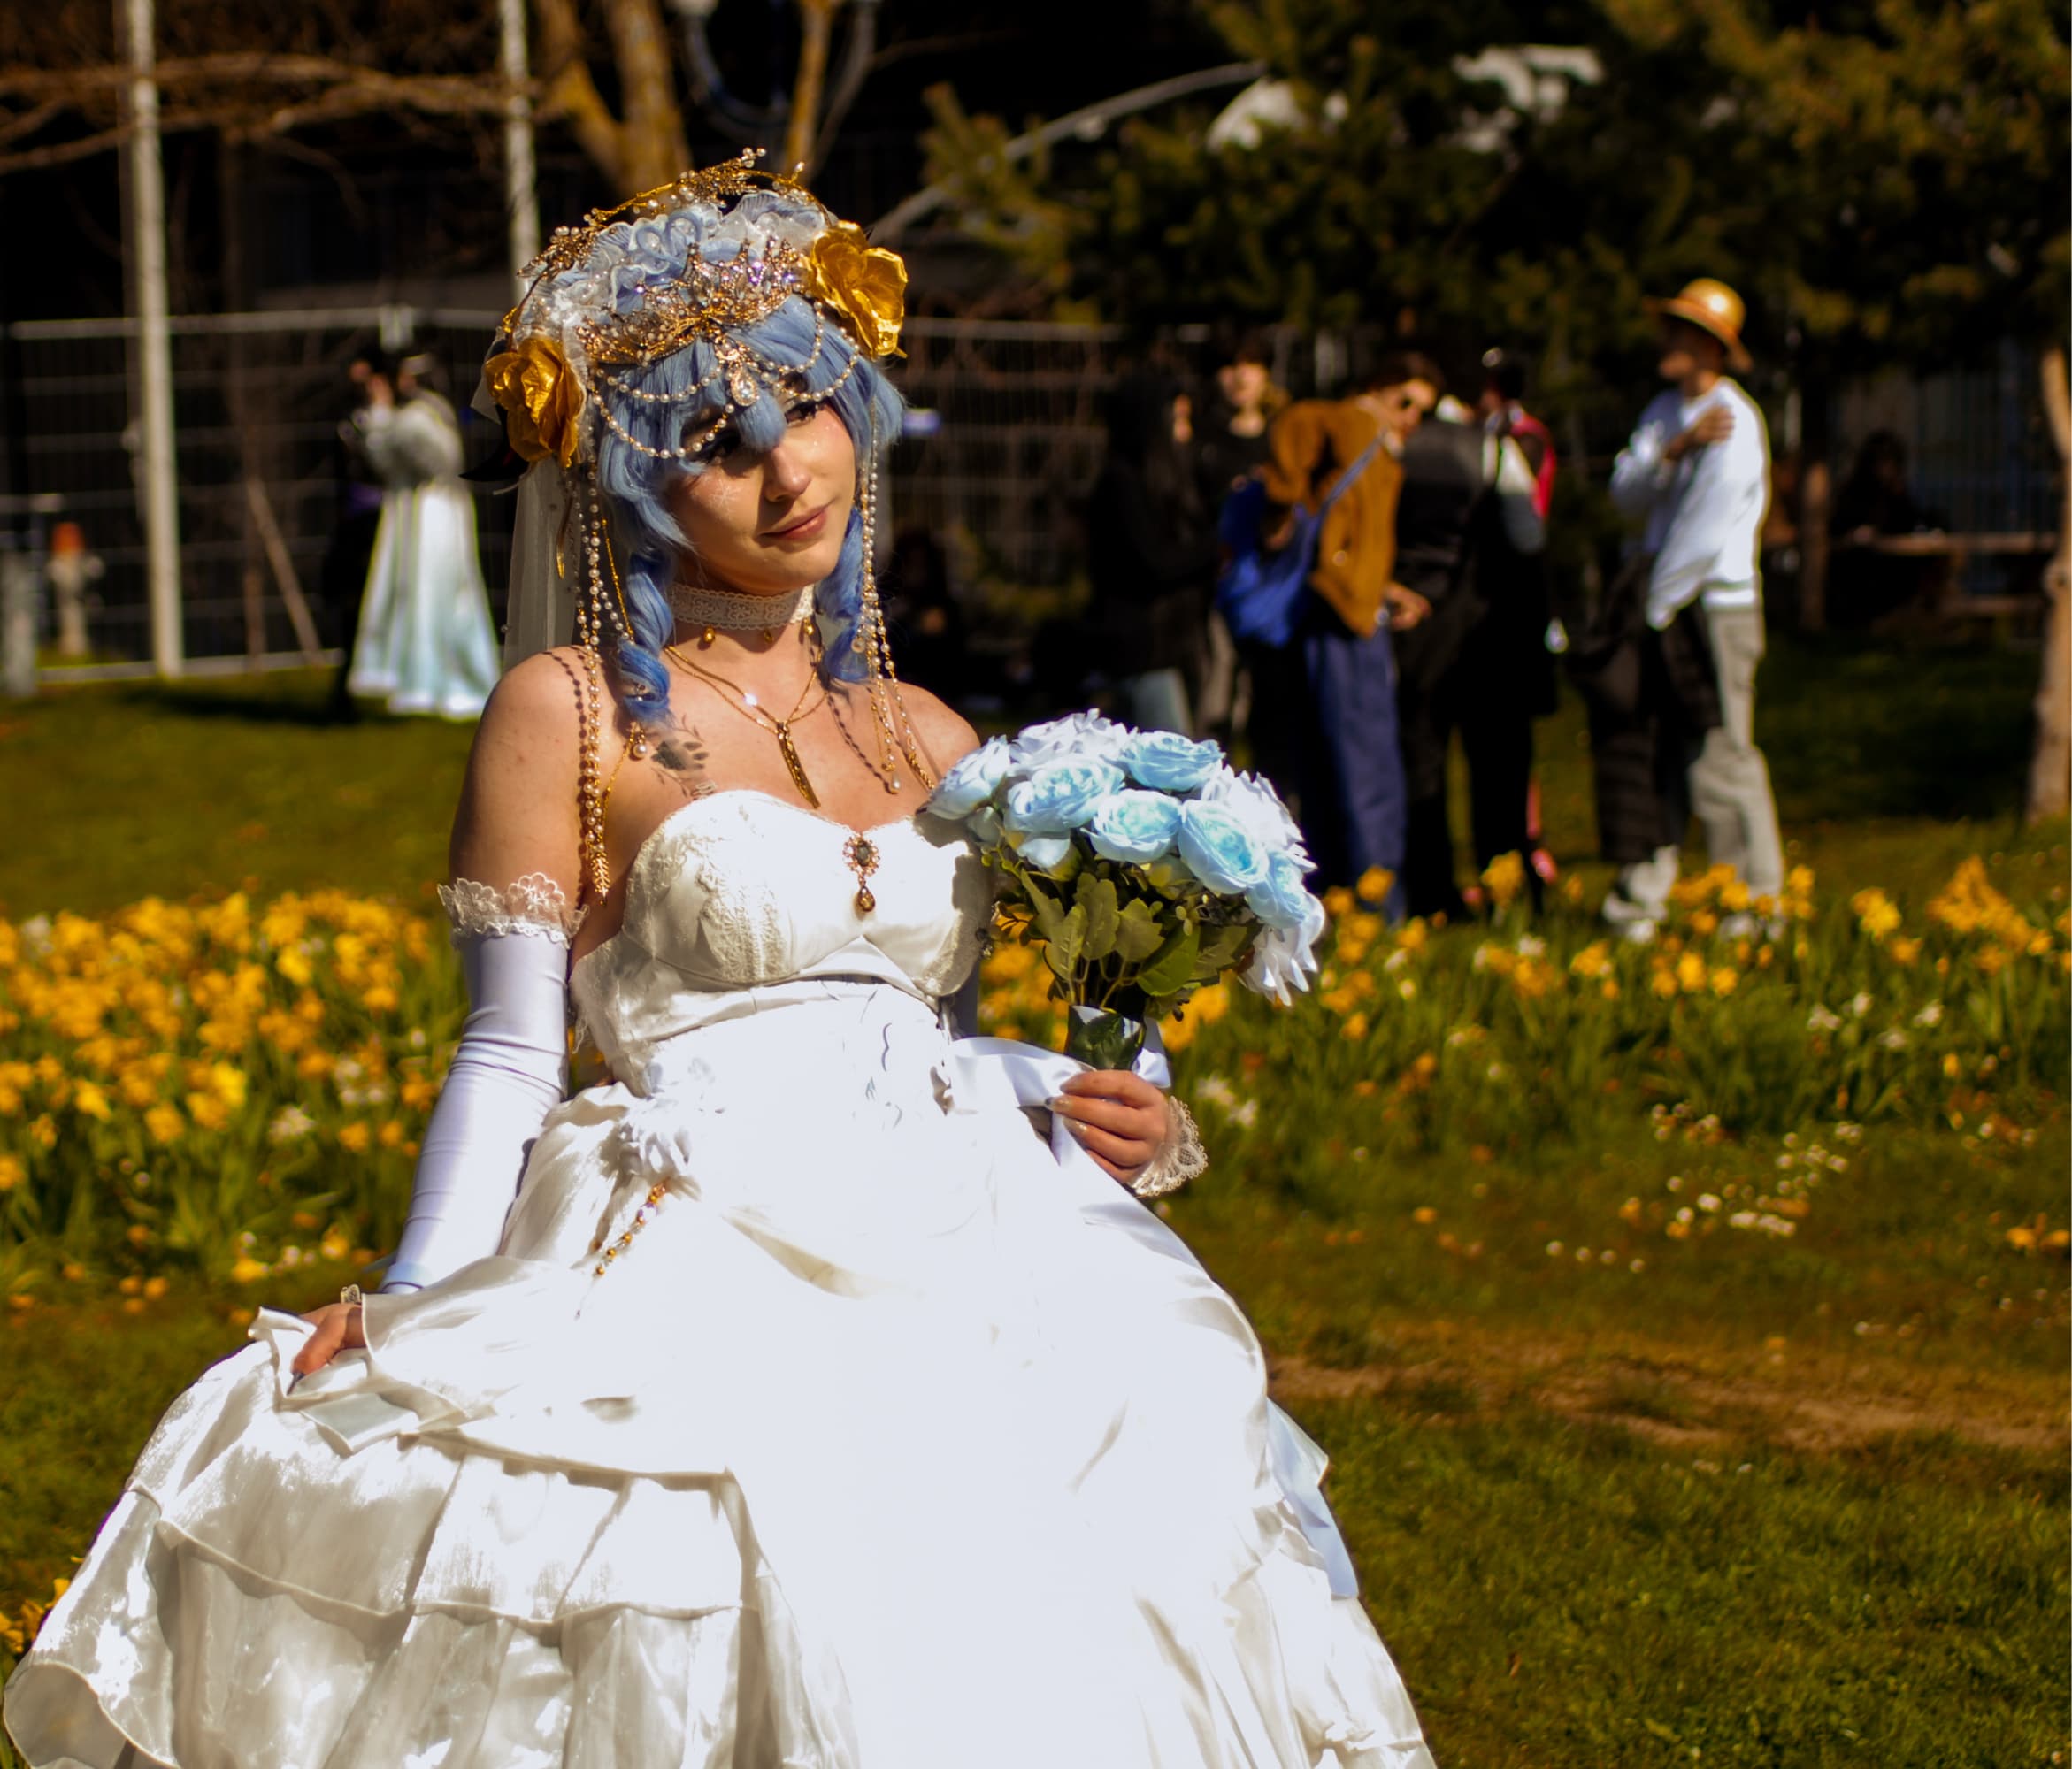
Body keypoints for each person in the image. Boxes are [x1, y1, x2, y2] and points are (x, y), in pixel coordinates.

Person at [4, 160, 1435, 1769]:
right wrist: (413, 1302)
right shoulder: (570, 713)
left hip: (967, 1219)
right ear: (630, 485)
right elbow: (508, 1054)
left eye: (808, 408)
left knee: (1073, 1556)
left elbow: (945, 1028)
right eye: (716, 441)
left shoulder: (933, 734)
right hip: (702, 1218)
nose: (786, 470)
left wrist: (1128, 1094)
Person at [1604, 277, 1782, 933]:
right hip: (1667, 604)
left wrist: (1653, 609)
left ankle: (1755, 905)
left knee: (1720, 756)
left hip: (1711, 609)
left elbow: (1703, 534)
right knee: (1655, 753)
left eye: (1680, 331)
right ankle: (1643, 898)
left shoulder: (1735, 420)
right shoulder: (1661, 413)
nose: (1666, 341)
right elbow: (1625, 494)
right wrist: (1674, 450)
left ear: (1710, 347)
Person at [1256, 352, 1439, 894]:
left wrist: (1376, 587)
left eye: (1423, 411)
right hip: (1344, 618)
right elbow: (1295, 424)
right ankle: (1376, 898)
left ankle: (1339, 892)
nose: (1411, 417)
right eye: (1405, 401)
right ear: (1379, 386)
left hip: (1347, 609)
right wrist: (1281, 501)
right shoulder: (1355, 422)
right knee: (1366, 766)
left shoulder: (1372, 438)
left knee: (1334, 762)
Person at [1390, 375, 1550, 919]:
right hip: (1487, 630)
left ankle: (1432, 893)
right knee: (1498, 769)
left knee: (1422, 764)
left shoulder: (1399, 448)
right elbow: (1528, 534)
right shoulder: (1493, 450)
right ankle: (1507, 889)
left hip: (1417, 626)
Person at [344, 350, 503, 719]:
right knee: (411, 591)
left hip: (433, 513)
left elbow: (433, 461)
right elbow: (386, 462)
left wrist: (381, 421)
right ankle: (417, 678)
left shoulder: (423, 415)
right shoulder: (414, 416)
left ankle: (442, 680)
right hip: (413, 512)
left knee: (435, 591)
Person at [1084, 371, 1217, 734]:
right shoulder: (1122, 484)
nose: (1185, 432)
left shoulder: (1168, 480)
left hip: (1171, 648)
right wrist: (1217, 547)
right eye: (1177, 420)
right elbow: (1155, 562)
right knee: (1171, 756)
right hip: (1144, 652)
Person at [1195, 333, 1286, 737]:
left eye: (1251, 364)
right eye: (1230, 365)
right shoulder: (1202, 437)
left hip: (1273, 581)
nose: (1241, 376)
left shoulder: (1282, 435)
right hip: (1216, 580)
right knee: (1217, 684)